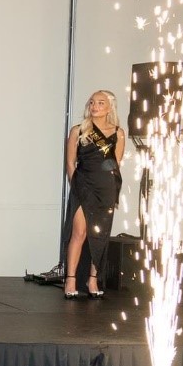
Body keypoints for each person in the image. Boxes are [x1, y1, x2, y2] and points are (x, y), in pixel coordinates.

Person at [62, 90, 125, 299]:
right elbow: (70, 163)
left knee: (100, 235)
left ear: (109, 107)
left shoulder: (118, 133)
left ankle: (93, 279)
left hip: (105, 189)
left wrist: (112, 187)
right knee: (79, 232)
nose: (95, 106)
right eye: (92, 102)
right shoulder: (78, 130)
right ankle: (70, 278)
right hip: (83, 186)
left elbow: (114, 164)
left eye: (100, 103)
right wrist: (76, 185)